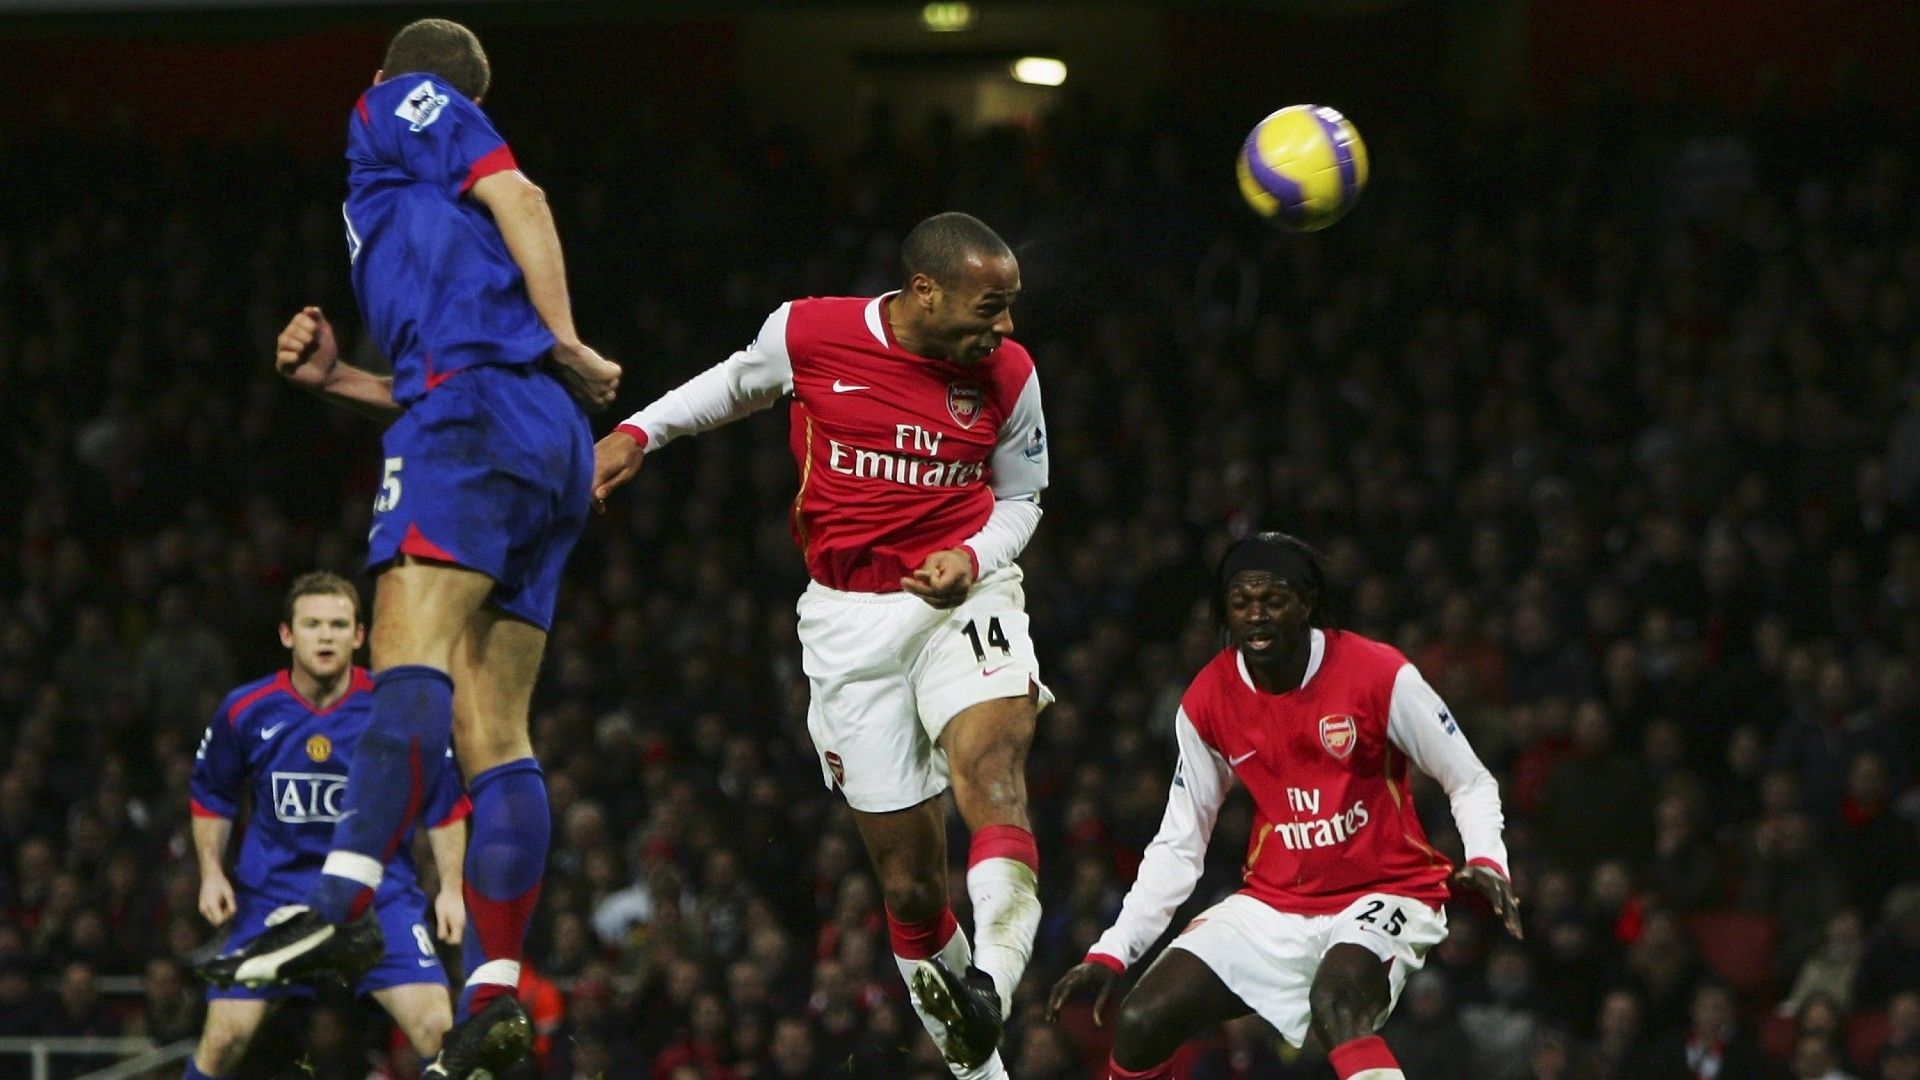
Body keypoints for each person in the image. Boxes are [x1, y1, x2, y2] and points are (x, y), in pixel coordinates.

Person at [199, 18, 619, 1079]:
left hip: (485, 412)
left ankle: (335, 897)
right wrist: (343, 381)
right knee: (494, 729)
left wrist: (567, 336)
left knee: (408, 648)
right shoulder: (427, 218)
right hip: (540, 438)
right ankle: (491, 989)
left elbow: (520, 195)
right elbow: (453, 358)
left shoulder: (391, 107)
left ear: (389, 79)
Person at [593, 212, 1050, 1078]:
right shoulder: (811, 333)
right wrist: (638, 433)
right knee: (912, 892)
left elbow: (1024, 497)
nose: (1006, 328)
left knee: (992, 772)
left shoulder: (1009, 374)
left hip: (965, 596)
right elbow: (735, 384)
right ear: (925, 291)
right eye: (990, 308)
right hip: (848, 622)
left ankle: (994, 976)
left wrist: (972, 557)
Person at [1047, 532, 1522, 1080]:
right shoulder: (1209, 700)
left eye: (1273, 600)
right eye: (1242, 602)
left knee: (1337, 1006)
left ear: (1307, 605)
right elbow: (1180, 845)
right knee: (1140, 1022)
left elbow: (1468, 780)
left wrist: (1488, 857)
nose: (1257, 616)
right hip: (1274, 901)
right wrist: (1113, 951)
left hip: (1387, 889)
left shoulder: (1377, 674)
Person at [186, 572, 469, 1080]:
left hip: (378, 896)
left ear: (360, 636)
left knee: (438, 1031)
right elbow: (213, 793)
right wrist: (211, 872)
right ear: (287, 635)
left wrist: (451, 888)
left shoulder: (394, 710)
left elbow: (443, 801)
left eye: (339, 625)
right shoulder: (246, 710)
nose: (326, 635)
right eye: (312, 624)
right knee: (224, 1038)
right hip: (272, 896)